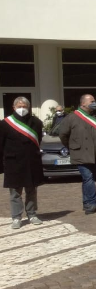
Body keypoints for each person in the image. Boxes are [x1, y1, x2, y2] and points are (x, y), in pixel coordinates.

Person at [58, 94, 96, 215]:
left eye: (94, 101)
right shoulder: (72, 118)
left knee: (89, 179)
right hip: (81, 153)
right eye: (91, 101)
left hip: (95, 154)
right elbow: (63, 135)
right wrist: (72, 146)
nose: (94, 103)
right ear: (83, 104)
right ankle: (92, 204)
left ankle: (87, 202)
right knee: (88, 178)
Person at [1, 97, 45, 229]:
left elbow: (38, 140)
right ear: (14, 108)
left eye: (24, 106)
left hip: (31, 162)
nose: (22, 108)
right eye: (19, 106)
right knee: (15, 192)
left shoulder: (36, 122)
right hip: (13, 162)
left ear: (29, 107)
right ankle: (16, 217)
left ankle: (32, 214)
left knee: (31, 190)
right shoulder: (5, 123)